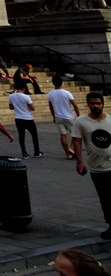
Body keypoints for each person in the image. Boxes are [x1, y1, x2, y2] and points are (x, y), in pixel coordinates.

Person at [72, 92, 111, 240]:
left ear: (103, 104)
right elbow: (76, 141)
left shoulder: (110, 120)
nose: (96, 106)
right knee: (105, 199)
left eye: (98, 103)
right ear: (88, 104)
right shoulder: (81, 122)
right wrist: (79, 161)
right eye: (93, 103)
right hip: (97, 168)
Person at [48, 76, 81, 160]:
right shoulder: (66, 93)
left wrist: (54, 116)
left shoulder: (50, 94)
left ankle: (67, 154)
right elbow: (75, 105)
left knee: (63, 135)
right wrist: (78, 115)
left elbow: (51, 107)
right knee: (76, 134)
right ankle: (72, 148)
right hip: (68, 116)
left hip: (58, 116)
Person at [9, 82, 43, 158]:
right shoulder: (26, 97)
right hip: (28, 118)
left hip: (18, 118)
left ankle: (24, 152)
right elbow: (33, 108)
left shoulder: (11, 96)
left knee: (21, 136)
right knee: (34, 135)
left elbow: (11, 107)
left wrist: (18, 106)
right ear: (24, 89)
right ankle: (36, 151)